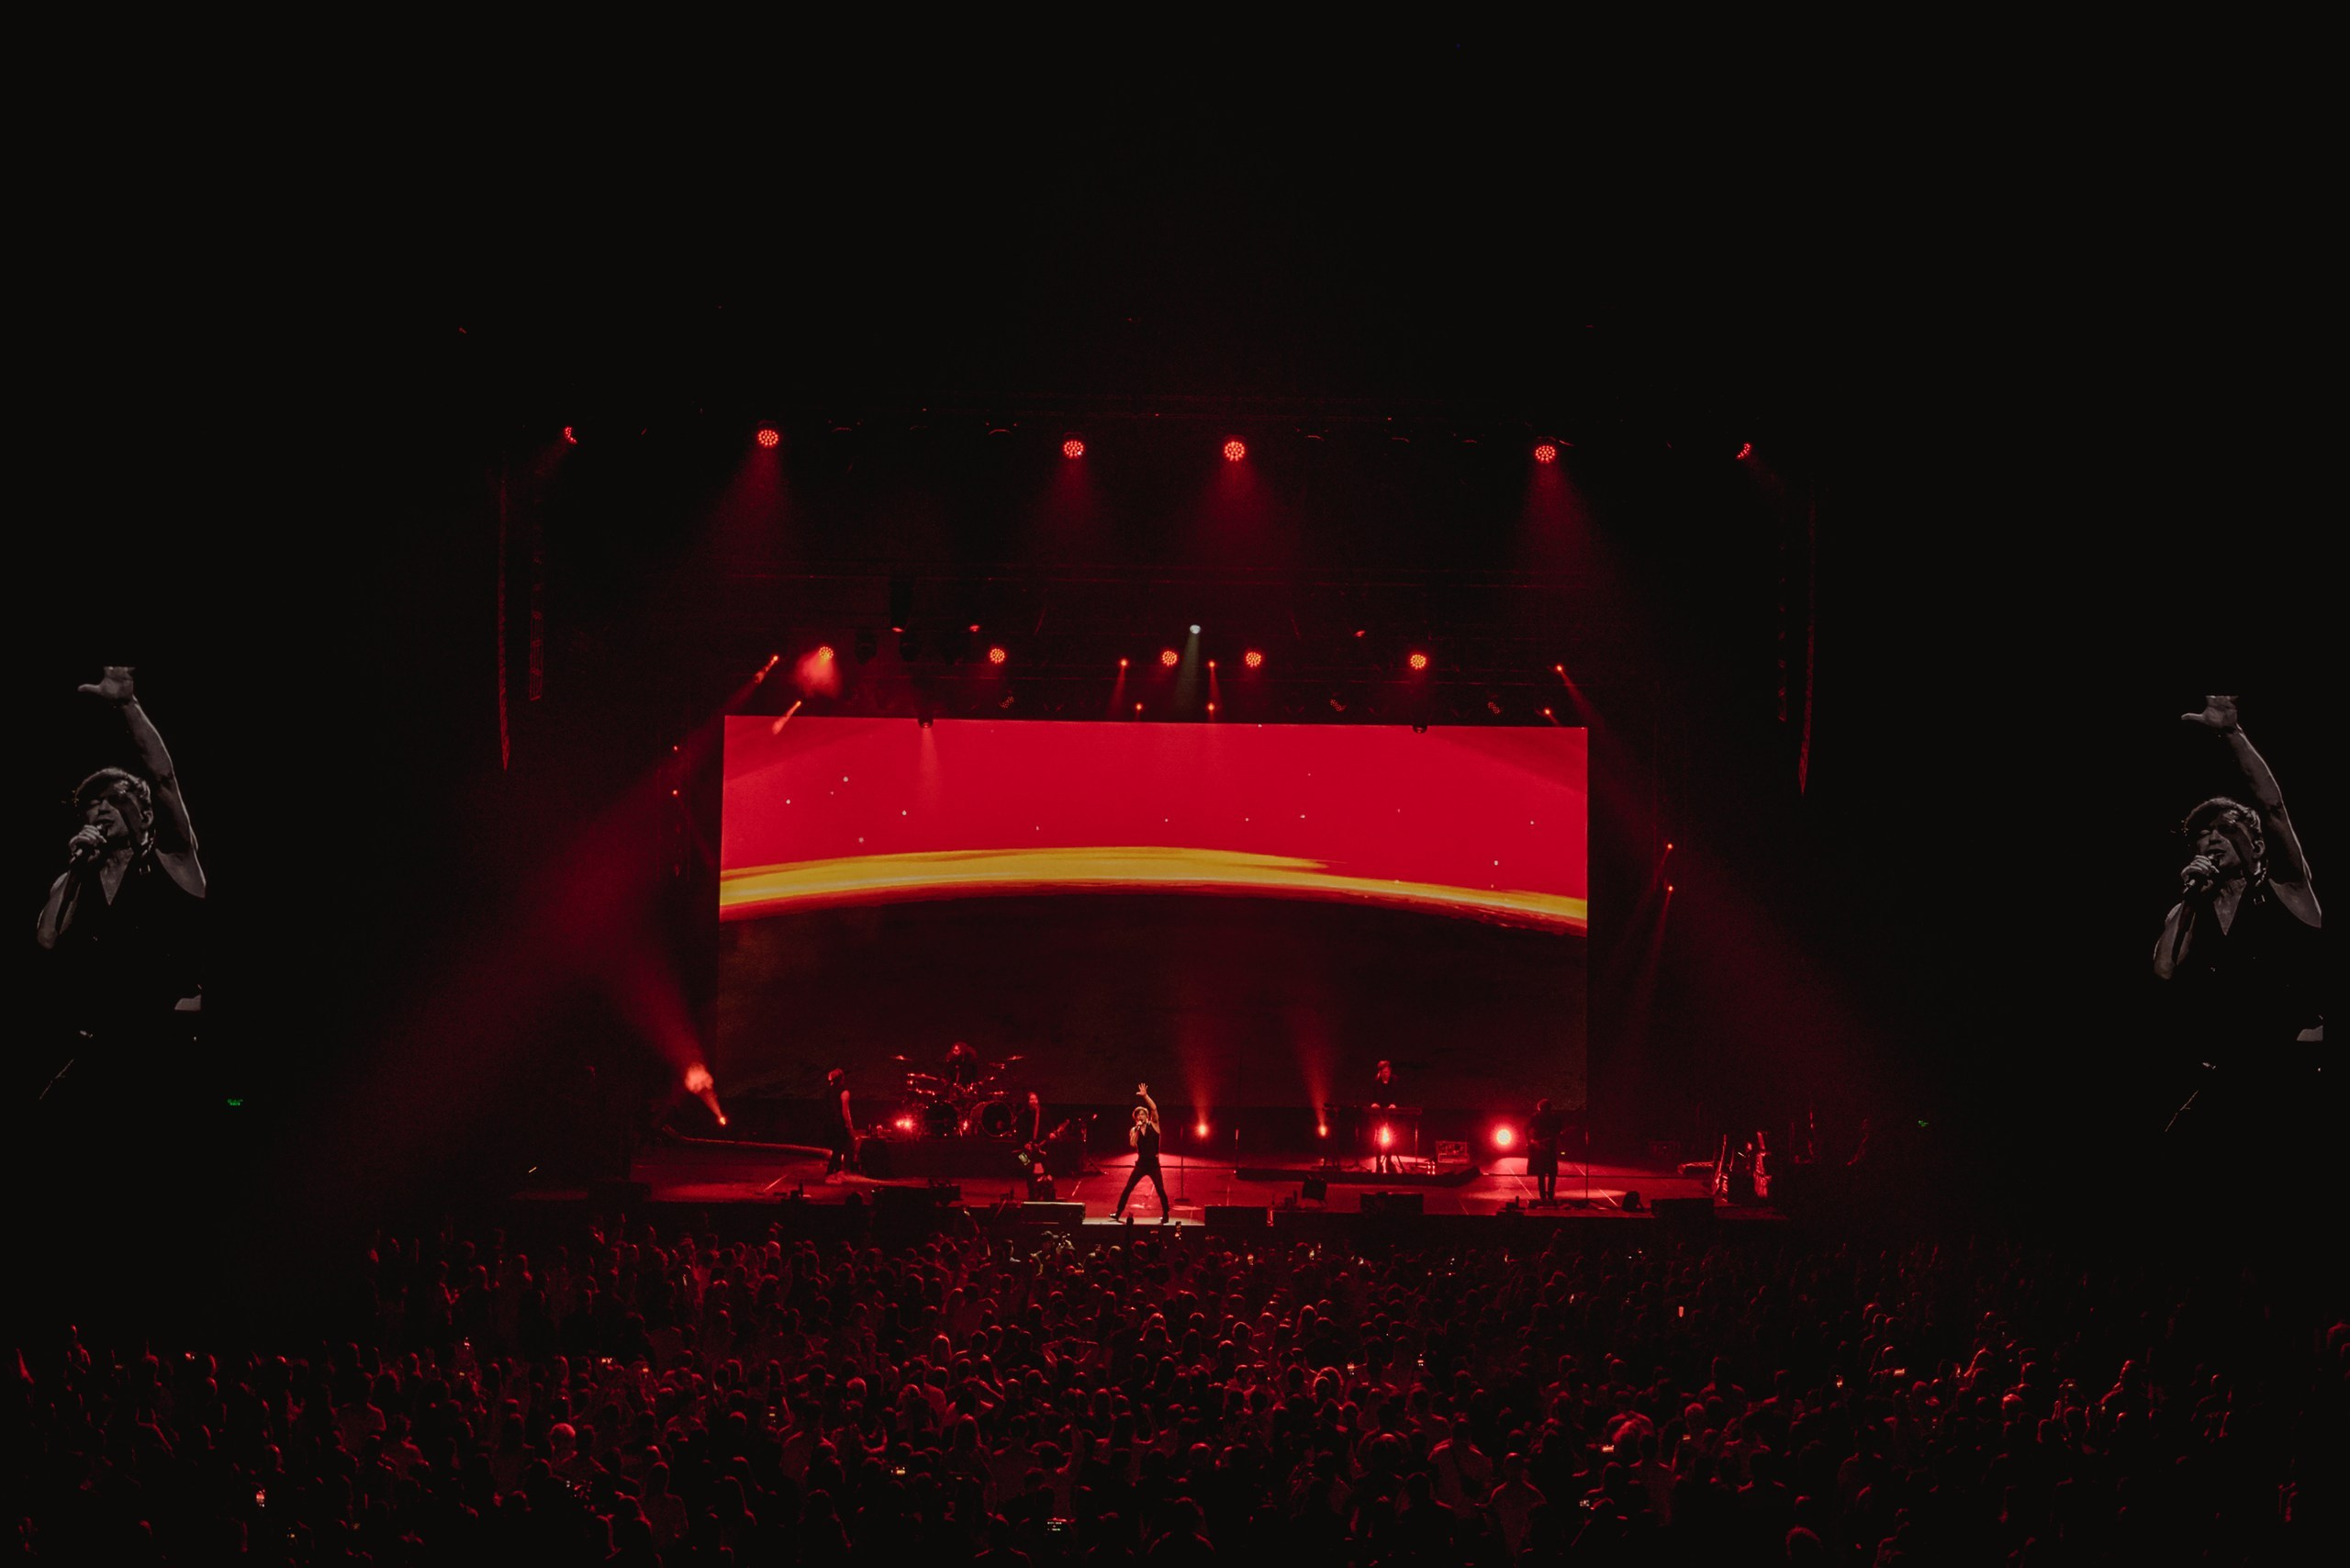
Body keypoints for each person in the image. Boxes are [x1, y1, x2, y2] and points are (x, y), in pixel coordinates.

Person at [2152, 696, 2322, 1144]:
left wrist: (2231, 734)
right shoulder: (2192, 905)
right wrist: (2188, 900)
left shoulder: (2286, 888)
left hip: (2300, 1069)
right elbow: (2165, 969)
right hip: (2230, 1073)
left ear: (2258, 845)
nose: (2213, 837)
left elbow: (2273, 808)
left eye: (2226, 828)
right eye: (2204, 833)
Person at [35, 666, 207, 1076]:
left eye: (114, 799)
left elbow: (164, 778)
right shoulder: (77, 875)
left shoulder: (174, 860)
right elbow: (46, 939)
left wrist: (127, 705)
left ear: (146, 814)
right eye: (92, 805)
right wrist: (76, 871)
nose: (101, 809)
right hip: (101, 1046)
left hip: (171, 1044)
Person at [1113, 1082, 1168, 1225]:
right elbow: (1132, 1144)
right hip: (1141, 1164)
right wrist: (1137, 1130)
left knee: (1160, 1190)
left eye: (1143, 1113)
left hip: (1154, 1164)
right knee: (1128, 1188)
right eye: (1139, 1114)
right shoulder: (1134, 1130)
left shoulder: (1154, 1125)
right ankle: (1118, 1212)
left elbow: (1154, 1108)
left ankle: (1166, 1214)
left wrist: (1145, 1096)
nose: (1141, 1115)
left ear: (1147, 1115)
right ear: (1136, 1117)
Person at [1524, 1097, 1565, 1207]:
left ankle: (1549, 1196)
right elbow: (1528, 1131)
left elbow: (1558, 1131)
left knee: (1550, 1174)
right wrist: (1534, 1141)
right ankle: (1545, 1196)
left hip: (1549, 1148)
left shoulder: (1553, 1118)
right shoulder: (1536, 1118)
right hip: (1541, 1149)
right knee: (1542, 1174)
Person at [823, 1069, 856, 1181]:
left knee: (836, 1149)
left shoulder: (827, 1091)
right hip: (839, 1124)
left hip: (829, 1123)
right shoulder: (844, 1092)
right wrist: (850, 1127)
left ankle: (837, 1170)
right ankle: (832, 1171)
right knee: (839, 1149)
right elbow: (845, 1111)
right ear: (842, 1079)